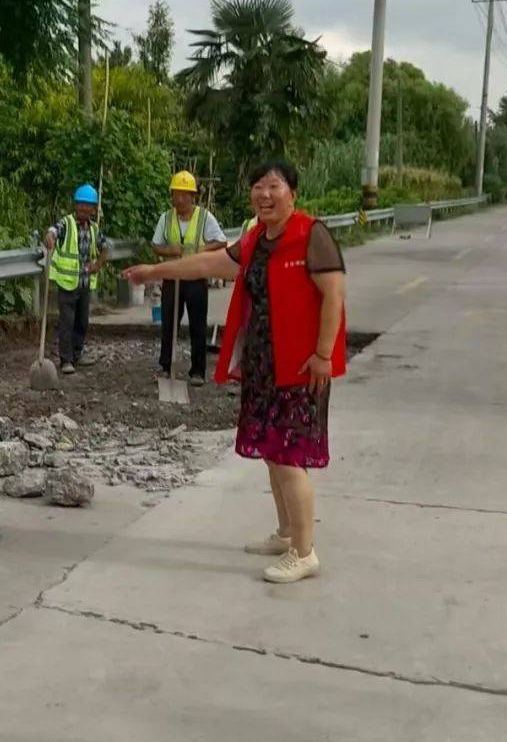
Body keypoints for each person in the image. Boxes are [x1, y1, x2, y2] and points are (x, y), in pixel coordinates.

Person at [123, 160, 346, 584]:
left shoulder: (311, 235)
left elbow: (334, 294)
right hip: (263, 366)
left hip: (298, 367)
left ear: (293, 194)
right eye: (258, 186)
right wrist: (154, 272)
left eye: (274, 186)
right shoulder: (256, 240)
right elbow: (207, 265)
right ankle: (286, 533)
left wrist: (323, 354)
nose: (265, 194)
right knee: (272, 454)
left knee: (288, 457)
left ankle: (304, 553)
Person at [151, 170, 228, 386]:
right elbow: (155, 245)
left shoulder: (204, 217)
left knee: (197, 325)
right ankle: (166, 366)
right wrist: (169, 250)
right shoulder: (166, 218)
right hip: (172, 277)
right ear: (172, 196)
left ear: (193, 196)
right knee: (169, 324)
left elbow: (221, 241)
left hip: (196, 277)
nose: (181, 199)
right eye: (177, 194)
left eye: (185, 195)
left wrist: (205, 248)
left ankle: (198, 371)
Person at [43, 184, 110, 375]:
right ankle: (66, 359)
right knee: (67, 322)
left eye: (87, 206)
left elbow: (106, 247)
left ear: (93, 209)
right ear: (76, 205)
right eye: (80, 204)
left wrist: (98, 264)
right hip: (67, 284)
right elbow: (54, 230)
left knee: (82, 321)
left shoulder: (94, 228)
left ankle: (77, 353)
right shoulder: (67, 223)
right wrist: (50, 236)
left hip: (84, 283)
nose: (83, 209)